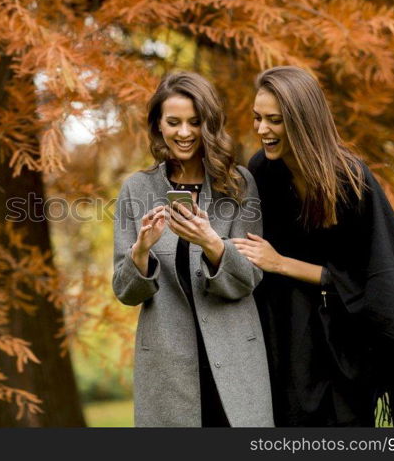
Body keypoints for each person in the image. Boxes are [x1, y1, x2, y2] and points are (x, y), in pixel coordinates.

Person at [234, 65, 394, 426]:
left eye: (274, 120)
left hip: (345, 343)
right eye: (257, 118)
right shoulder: (262, 171)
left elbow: (371, 278)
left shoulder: (350, 180)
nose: (262, 130)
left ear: (302, 120)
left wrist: (281, 263)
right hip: (285, 336)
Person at [112, 71, 273, 427]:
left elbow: (249, 277)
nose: (184, 133)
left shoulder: (238, 183)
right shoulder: (137, 189)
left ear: (208, 125)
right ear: (158, 125)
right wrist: (140, 252)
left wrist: (211, 243)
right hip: (168, 367)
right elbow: (125, 291)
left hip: (235, 361)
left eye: (194, 122)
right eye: (173, 122)